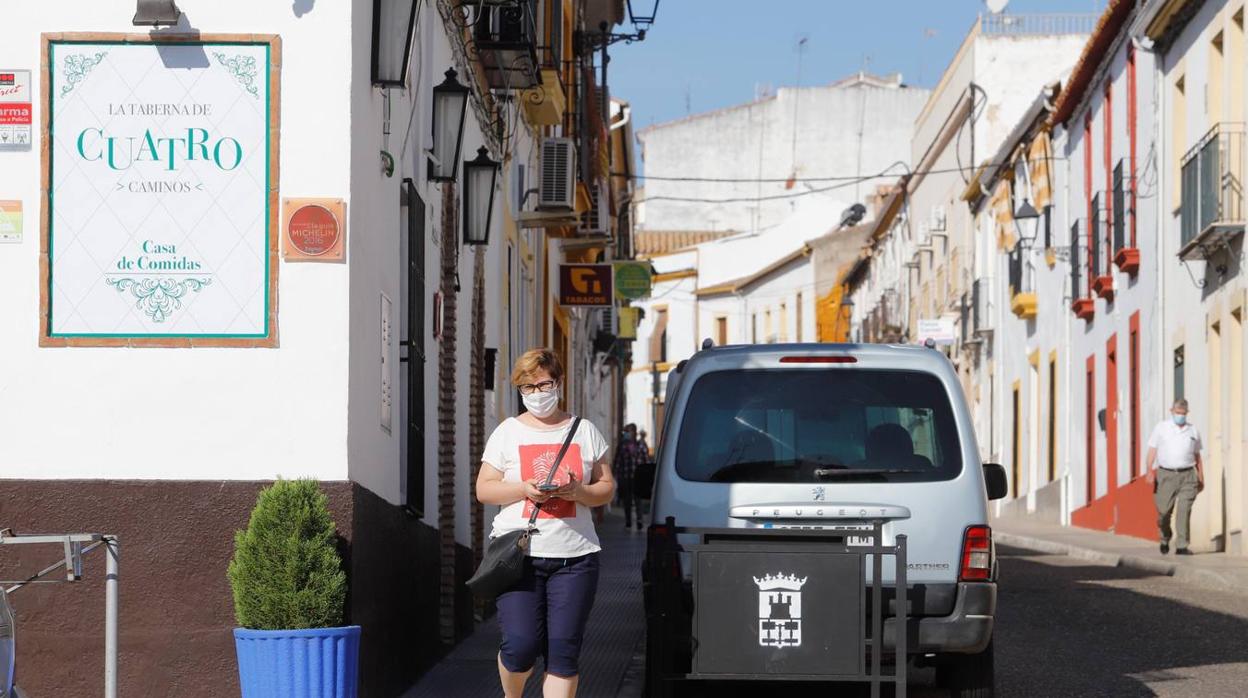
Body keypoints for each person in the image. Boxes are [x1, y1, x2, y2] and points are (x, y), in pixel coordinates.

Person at [475, 348, 616, 698]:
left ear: (559, 383)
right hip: (518, 557)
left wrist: (577, 491)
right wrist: (523, 488)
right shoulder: (507, 432)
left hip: (576, 558)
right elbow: (484, 489)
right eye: (528, 388)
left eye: (544, 384)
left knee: (563, 654)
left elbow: (606, 487)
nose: (537, 395)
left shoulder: (584, 431)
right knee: (520, 646)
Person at [1145, 399, 1204, 555]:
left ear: (1187, 413)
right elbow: (1152, 450)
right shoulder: (1161, 428)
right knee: (1164, 512)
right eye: (1178, 413)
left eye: (1183, 414)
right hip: (1166, 474)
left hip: (1188, 475)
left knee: (1184, 510)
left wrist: (1201, 477)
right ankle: (1165, 537)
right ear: (1172, 411)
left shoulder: (1193, 431)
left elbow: (1197, 455)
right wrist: (1149, 470)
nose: (1181, 416)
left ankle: (1182, 545)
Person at [614, 423, 645, 529]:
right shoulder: (622, 445)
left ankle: (639, 520)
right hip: (626, 477)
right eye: (625, 432)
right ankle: (628, 521)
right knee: (627, 500)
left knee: (638, 500)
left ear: (634, 433)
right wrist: (616, 475)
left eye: (628, 431)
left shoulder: (641, 445)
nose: (626, 434)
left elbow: (645, 461)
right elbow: (617, 461)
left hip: (638, 478)